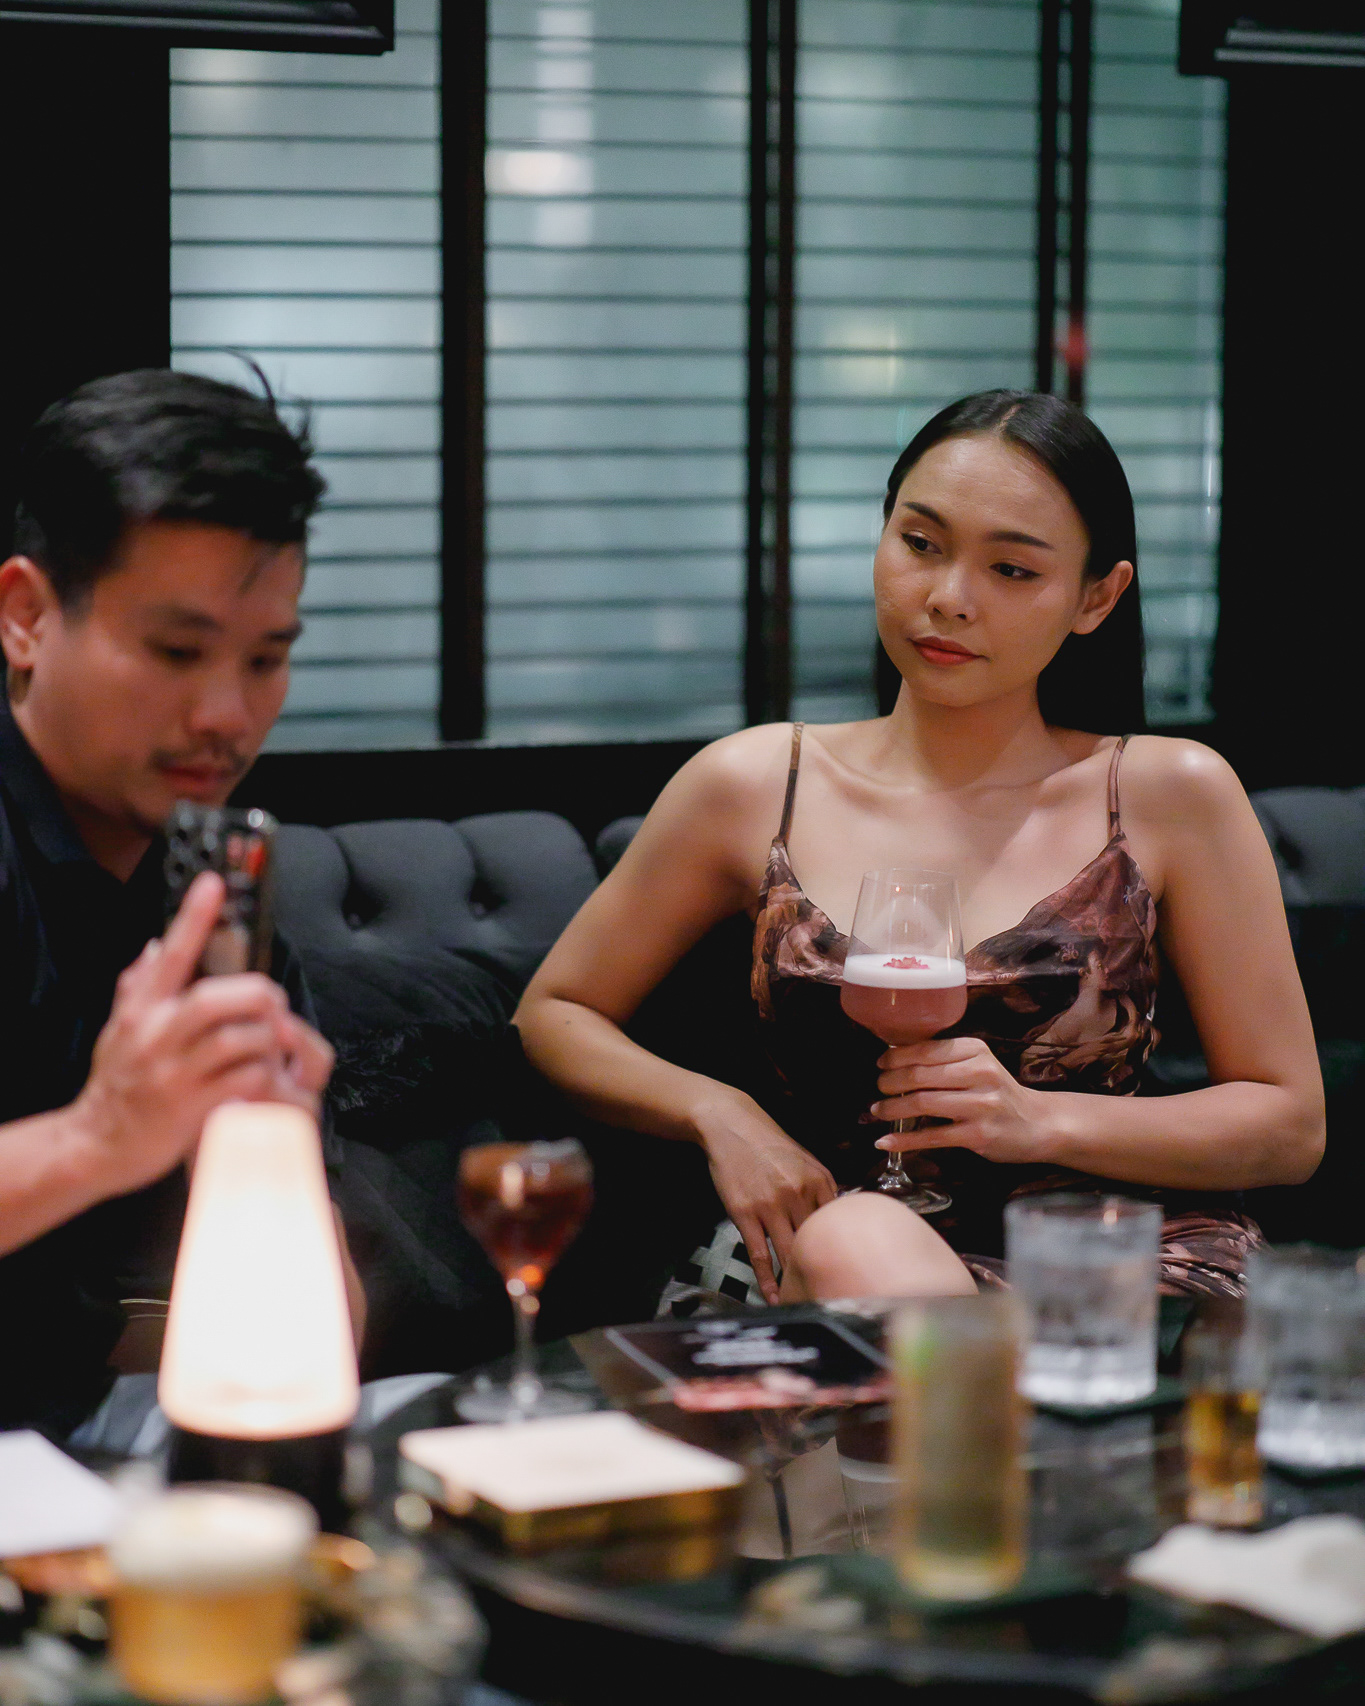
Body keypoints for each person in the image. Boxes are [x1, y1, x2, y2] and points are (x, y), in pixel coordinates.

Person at [516, 390, 1325, 1307]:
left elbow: (1290, 1126)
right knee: (858, 1238)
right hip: (860, 1274)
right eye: (920, 543)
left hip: (1116, 1274)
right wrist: (720, 1114)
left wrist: (1041, 1121)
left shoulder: (1167, 793)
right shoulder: (755, 784)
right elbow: (555, 1013)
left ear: (1095, 597)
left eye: (1011, 570)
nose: (948, 599)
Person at [0, 367, 366, 1440]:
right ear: (26, 616)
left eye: (266, 659)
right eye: (176, 651)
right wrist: (97, 1136)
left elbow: (325, 1333)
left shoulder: (209, 892)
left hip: (73, 1437)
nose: (227, 714)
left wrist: (272, 1158)